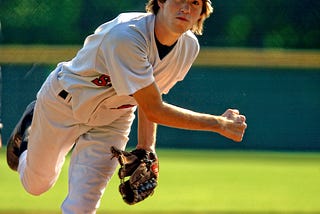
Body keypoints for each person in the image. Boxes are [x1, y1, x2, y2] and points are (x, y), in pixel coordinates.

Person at [7, 0, 247, 213]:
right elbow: (155, 108)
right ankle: (26, 139)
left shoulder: (188, 48)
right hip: (63, 103)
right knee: (37, 184)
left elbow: (152, 95)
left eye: (195, 3)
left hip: (115, 116)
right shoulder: (127, 35)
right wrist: (219, 123)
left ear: (201, 14)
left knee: (84, 204)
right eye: (180, 0)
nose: (186, 7)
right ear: (161, 2)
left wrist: (146, 148)